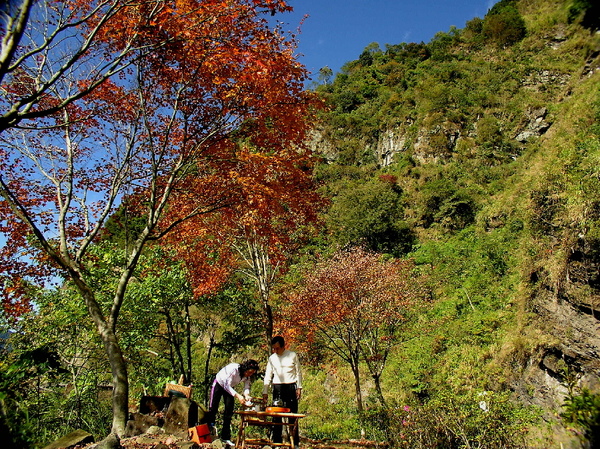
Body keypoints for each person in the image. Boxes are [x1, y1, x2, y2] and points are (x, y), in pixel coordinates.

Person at [204, 359, 259, 446]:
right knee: (213, 407)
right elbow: (226, 385)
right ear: (245, 368)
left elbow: (246, 387)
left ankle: (225, 437)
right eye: (249, 372)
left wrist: (247, 395)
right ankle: (208, 433)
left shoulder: (247, 376)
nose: (249, 374)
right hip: (219, 383)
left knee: (229, 411)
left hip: (230, 389)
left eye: (252, 373)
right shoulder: (234, 369)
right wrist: (238, 396)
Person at [262, 336, 302, 447]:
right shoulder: (272, 358)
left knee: (292, 415)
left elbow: (298, 372)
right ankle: (277, 442)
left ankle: (295, 443)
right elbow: (268, 375)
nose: (276, 351)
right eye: (274, 348)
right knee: (277, 415)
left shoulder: (292, 355)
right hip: (277, 387)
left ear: (283, 346)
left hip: (290, 386)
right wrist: (265, 391)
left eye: (278, 348)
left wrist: (299, 387)